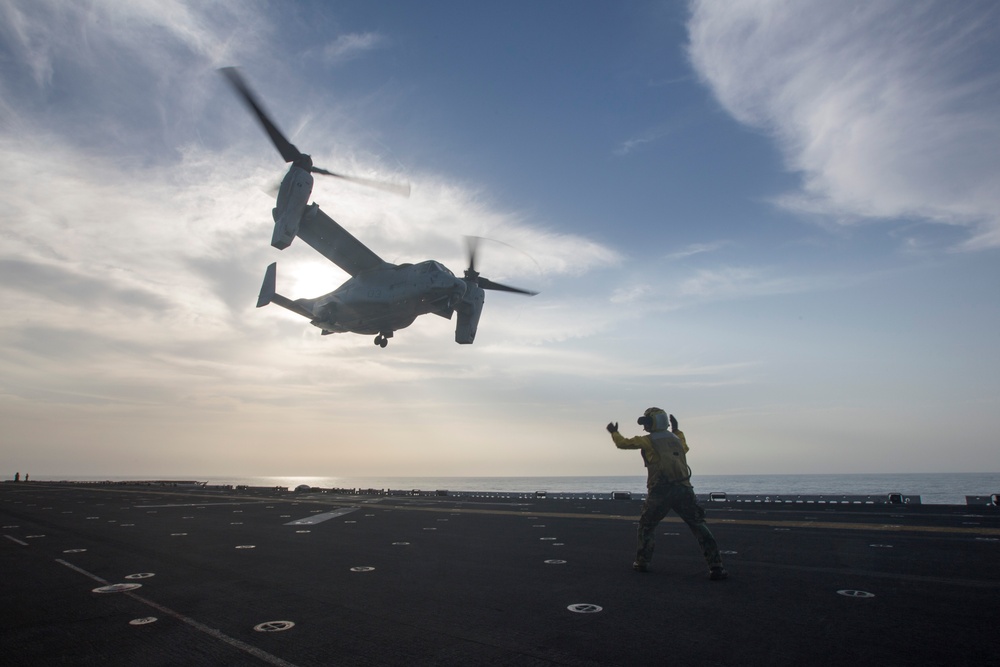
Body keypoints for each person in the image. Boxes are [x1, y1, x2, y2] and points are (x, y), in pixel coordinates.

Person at [607, 407, 727, 580]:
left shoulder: (648, 440)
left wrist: (614, 432)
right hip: (684, 489)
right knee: (698, 525)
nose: (646, 426)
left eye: (648, 422)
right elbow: (685, 448)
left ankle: (642, 562)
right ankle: (716, 565)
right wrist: (677, 430)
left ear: (655, 422)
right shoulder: (676, 439)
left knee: (646, 525)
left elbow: (623, 444)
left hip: (660, 490)